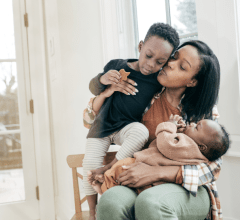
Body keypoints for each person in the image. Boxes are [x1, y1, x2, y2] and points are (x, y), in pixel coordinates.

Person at [89, 40, 223, 220]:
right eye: (174, 57)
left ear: (192, 81)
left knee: (151, 202)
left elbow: (214, 167)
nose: (170, 63)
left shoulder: (203, 111)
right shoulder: (146, 95)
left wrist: (157, 173)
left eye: (182, 67)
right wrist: (107, 93)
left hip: (189, 190)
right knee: (111, 201)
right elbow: (91, 120)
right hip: (140, 182)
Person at [82, 23, 180, 219]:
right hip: (101, 126)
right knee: (89, 164)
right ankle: (92, 210)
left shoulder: (157, 81)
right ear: (140, 46)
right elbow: (93, 87)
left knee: (141, 132)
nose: (151, 65)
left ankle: (110, 167)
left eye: (160, 62)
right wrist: (103, 80)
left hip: (126, 128)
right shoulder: (116, 66)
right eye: (149, 55)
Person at [90, 114, 230, 195]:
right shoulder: (195, 153)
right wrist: (180, 133)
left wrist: (169, 126)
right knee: (124, 179)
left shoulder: (188, 146)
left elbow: (165, 144)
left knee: (121, 169)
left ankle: (103, 187)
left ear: (201, 146)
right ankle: (105, 185)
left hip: (146, 165)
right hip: (156, 180)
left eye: (197, 127)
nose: (192, 123)